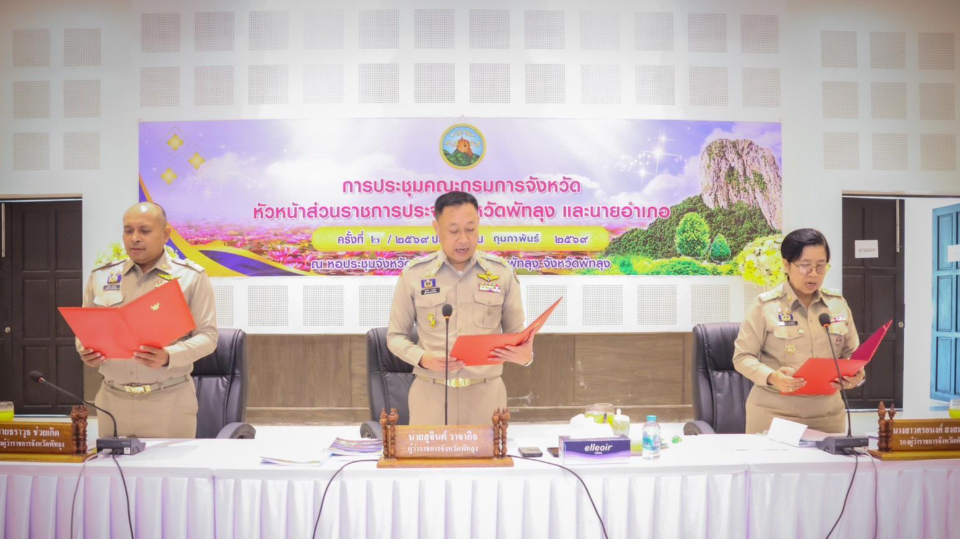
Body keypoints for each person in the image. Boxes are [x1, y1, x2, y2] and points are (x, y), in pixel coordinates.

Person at [387, 191, 532, 425]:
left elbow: (518, 337)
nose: (464, 239)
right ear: (436, 228)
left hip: (486, 397)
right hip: (430, 395)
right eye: (454, 231)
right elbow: (395, 336)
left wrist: (526, 356)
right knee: (430, 451)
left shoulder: (501, 273)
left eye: (470, 229)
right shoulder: (415, 275)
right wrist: (423, 358)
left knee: (489, 450)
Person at [75, 202, 217, 438]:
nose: (135, 238)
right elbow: (85, 330)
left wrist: (169, 355)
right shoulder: (101, 277)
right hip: (112, 401)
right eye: (128, 230)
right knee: (110, 463)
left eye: (145, 230)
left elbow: (208, 337)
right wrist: (85, 349)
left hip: (169, 401)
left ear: (166, 234)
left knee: (168, 465)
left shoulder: (190, 277)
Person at [733, 228, 864, 434]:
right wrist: (772, 377)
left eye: (821, 266)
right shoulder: (765, 306)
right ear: (786, 265)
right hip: (774, 415)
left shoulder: (837, 304)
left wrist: (858, 376)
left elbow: (852, 355)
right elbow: (742, 357)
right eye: (805, 266)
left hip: (828, 416)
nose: (814, 274)